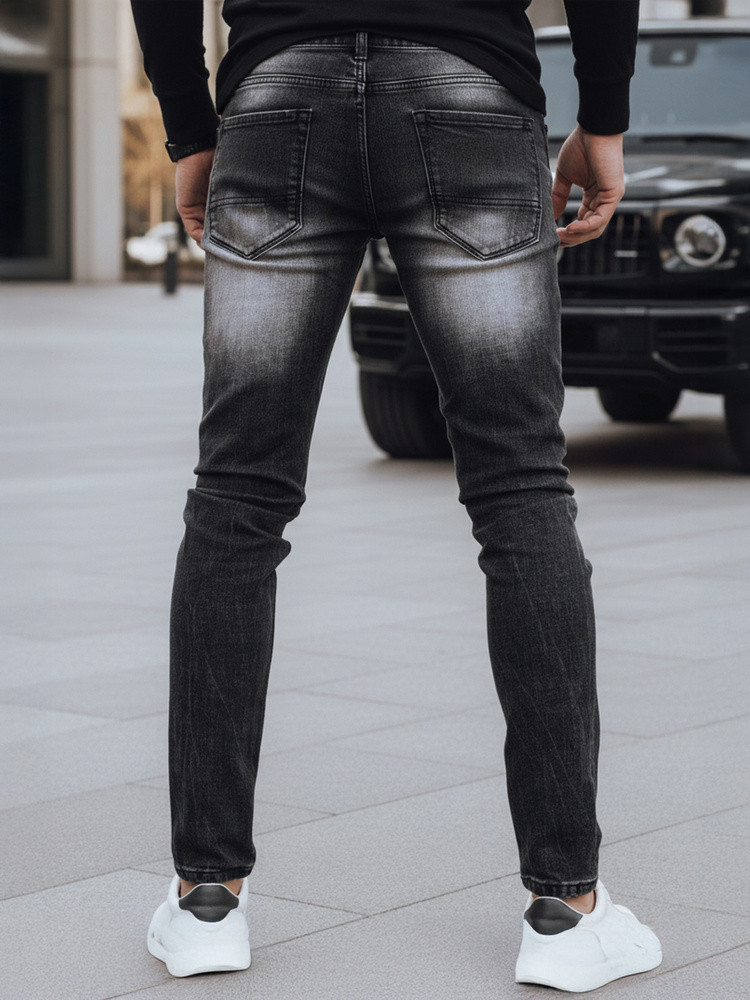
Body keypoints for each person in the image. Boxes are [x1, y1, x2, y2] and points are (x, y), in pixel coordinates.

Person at [130, 0, 662, 991]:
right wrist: (605, 115)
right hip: (471, 85)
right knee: (520, 488)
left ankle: (207, 900)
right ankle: (566, 910)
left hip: (278, 92)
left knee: (238, 495)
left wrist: (193, 129)